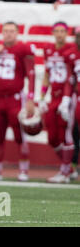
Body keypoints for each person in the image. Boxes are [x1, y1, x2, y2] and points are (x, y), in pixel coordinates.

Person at [0, 21, 36, 182]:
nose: (8, 34)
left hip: (16, 99)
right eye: (5, 31)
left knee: (19, 135)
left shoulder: (23, 48)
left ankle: (23, 170)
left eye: (12, 31)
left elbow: (31, 74)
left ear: (17, 33)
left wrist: (31, 98)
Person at [40, 22, 76, 183]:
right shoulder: (48, 49)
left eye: (63, 31)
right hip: (54, 97)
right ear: (53, 32)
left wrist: (68, 98)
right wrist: (42, 96)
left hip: (68, 96)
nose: (60, 34)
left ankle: (65, 171)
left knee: (65, 134)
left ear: (67, 33)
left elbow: (71, 76)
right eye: (57, 31)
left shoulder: (72, 49)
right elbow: (47, 73)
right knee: (52, 137)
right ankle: (69, 167)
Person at [58, 26, 80, 182]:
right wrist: (65, 100)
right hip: (77, 97)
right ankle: (75, 168)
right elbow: (69, 80)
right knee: (74, 132)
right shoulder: (72, 55)